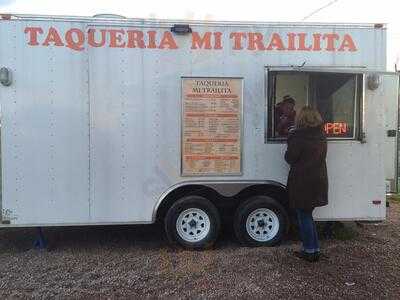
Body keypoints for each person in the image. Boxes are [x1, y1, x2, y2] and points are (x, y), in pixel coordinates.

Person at [284, 106, 328, 262]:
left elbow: (290, 158)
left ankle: (309, 251)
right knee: (308, 215)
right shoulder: (322, 136)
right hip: (318, 180)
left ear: (301, 119)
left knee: (304, 216)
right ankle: (314, 248)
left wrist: (290, 138)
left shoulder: (298, 137)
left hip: (303, 182)